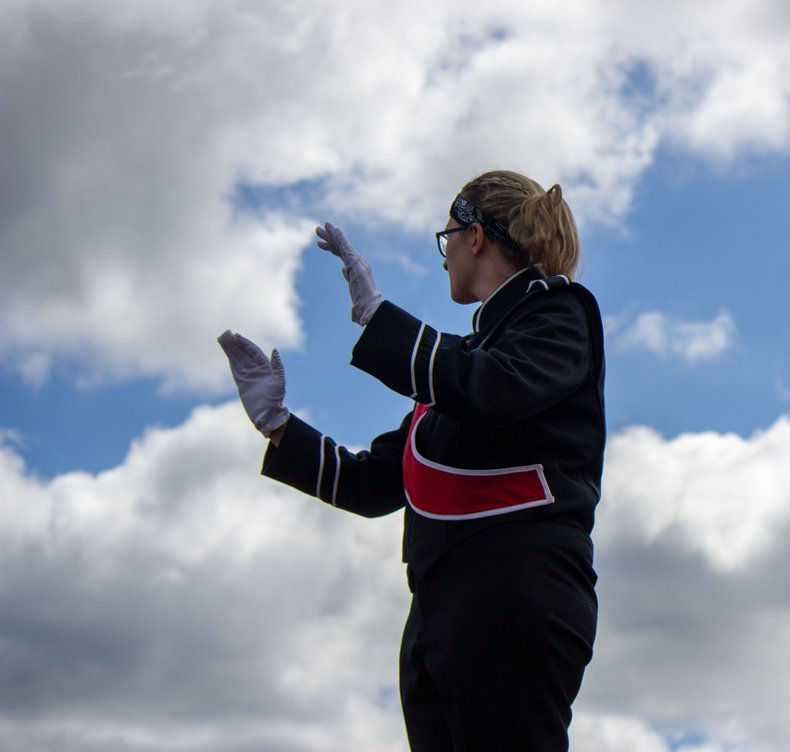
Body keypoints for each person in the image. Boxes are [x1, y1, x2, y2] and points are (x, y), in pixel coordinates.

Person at [218, 170, 605, 751]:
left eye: (447, 236)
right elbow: (374, 484)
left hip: (514, 588)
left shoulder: (557, 315)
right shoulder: (460, 363)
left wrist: (379, 317)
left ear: (475, 236)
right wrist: (277, 427)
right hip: (438, 608)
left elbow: (491, 388)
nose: (444, 255)